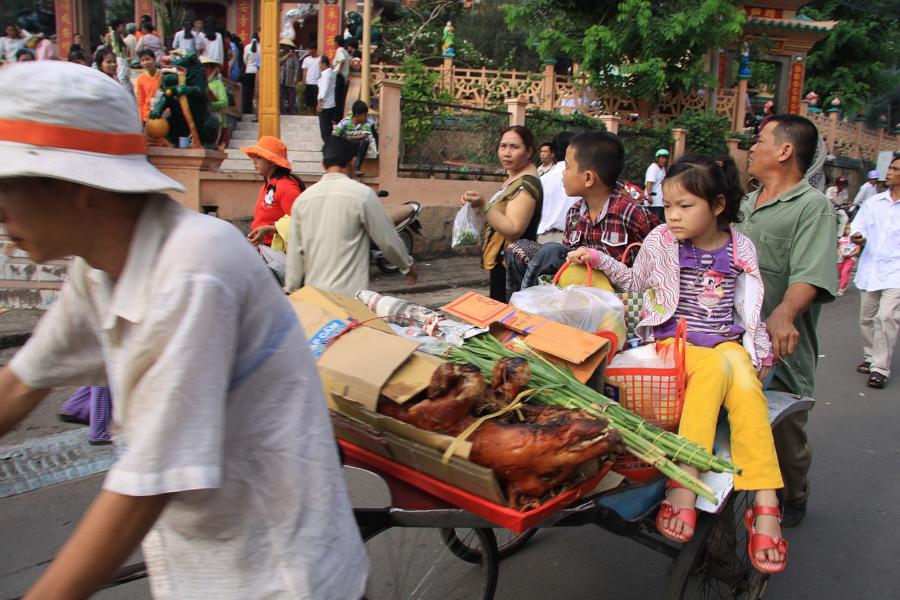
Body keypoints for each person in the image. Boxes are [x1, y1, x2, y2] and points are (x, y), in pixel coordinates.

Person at [0, 60, 367, 600]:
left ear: (76, 185)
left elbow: (145, 487)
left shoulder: (194, 267)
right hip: (204, 568)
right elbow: (19, 381)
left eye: (9, 185)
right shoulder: (98, 268)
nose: (2, 211)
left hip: (282, 580)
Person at [569, 153, 787, 574]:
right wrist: (597, 260)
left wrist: (758, 349)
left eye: (685, 206)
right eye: (667, 206)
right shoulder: (660, 242)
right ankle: (756, 501)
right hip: (673, 344)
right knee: (717, 370)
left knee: (742, 377)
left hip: (727, 343)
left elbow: (751, 309)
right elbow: (635, 281)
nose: (673, 216)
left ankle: (753, 496)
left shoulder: (741, 247)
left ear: (718, 205)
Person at [736, 114, 837, 527]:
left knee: (784, 437)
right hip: (730, 341)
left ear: (784, 151)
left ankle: (794, 493)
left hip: (781, 352)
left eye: (760, 141)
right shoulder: (745, 202)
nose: (752, 148)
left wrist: (783, 312)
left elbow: (810, 276)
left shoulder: (813, 210)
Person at [284, 136, 416, 295]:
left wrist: (291, 290)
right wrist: (406, 266)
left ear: (323, 164)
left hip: (316, 300)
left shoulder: (302, 200)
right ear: (353, 162)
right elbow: (387, 239)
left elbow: (295, 253)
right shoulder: (362, 195)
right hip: (350, 299)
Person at [461, 125, 543, 302]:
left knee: (505, 320)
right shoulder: (515, 178)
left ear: (529, 152)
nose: (507, 153)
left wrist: (484, 204)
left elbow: (513, 228)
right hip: (503, 263)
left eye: (514, 147)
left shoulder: (526, 185)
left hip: (511, 266)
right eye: (503, 146)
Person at [850, 155, 900, 389]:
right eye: (889, 168)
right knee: (867, 318)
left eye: (895, 169)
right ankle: (871, 357)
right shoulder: (874, 202)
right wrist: (858, 236)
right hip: (871, 268)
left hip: (896, 272)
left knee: (887, 317)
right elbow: (859, 226)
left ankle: (880, 368)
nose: (889, 172)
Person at [243, 136, 304, 247]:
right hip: (262, 249)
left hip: (276, 254)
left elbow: (300, 223)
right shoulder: (267, 185)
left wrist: (269, 229)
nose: (254, 162)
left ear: (271, 162)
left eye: (258, 158)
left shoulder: (286, 187)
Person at [535, 132, 577, 244]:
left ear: (553, 152)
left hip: (543, 239)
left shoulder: (543, 180)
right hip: (571, 239)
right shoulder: (582, 180)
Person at [333, 100, 376, 175]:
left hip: (357, 146)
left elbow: (364, 135)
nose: (366, 117)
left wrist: (351, 137)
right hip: (345, 146)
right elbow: (335, 134)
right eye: (364, 115)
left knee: (365, 141)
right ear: (357, 115)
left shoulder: (366, 123)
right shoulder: (345, 122)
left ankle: (357, 168)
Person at [835, 221, 861, 297]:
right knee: (840, 273)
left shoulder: (854, 239)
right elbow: (838, 247)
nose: (847, 230)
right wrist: (840, 254)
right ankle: (844, 283)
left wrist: (850, 255)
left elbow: (857, 250)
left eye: (849, 229)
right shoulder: (841, 239)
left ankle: (841, 289)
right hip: (841, 258)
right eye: (846, 229)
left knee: (845, 272)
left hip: (850, 258)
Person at [135, 49, 161, 124]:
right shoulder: (141, 79)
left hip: (163, 113)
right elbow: (141, 100)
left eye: (148, 59)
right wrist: (141, 117)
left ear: (154, 59)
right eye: (142, 60)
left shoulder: (163, 75)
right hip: (147, 115)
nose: (146, 62)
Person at [317, 54, 337, 142]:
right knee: (329, 127)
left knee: (324, 129)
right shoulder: (332, 73)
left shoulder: (326, 75)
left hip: (324, 105)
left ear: (324, 64)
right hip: (331, 103)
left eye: (320, 64)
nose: (319, 66)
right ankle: (330, 144)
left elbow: (323, 90)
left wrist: (319, 103)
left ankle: (328, 145)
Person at [645, 148, 669, 222]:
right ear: (657, 158)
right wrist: (649, 196)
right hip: (653, 202)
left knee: (661, 223)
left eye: (666, 158)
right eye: (662, 157)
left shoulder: (662, 169)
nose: (664, 160)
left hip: (660, 202)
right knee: (655, 223)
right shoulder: (653, 168)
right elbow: (649, 183)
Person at [278, 38, 301, 116]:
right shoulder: (280, 55)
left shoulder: (294, 56)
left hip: (290, 79)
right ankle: (282, 111)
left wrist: (295, 78)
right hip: (281, 79)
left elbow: (297, 67)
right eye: (284, 46)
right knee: (281, 96)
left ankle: (292, 111)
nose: (285, 47)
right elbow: (278, 62)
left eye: (287, 46)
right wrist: (286, 56)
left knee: (291, 97)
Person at [332, 35, 351, 120]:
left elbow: (342, 60)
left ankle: (336, 117)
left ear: (336, 42)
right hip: (343, 77)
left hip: (339, 76)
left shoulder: (339, 50)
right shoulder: (345, 51)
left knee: (337, 98)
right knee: (340, 98)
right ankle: (339, 117)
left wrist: (338, 70)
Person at [241, 34, 259, 115]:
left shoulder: (247, 47)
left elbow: (245, 60)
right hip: (257, 72)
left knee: (248, 92)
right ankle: (257, 111)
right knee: (257, 92)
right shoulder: (261, 47)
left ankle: (247, 111)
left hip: (248, 71)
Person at [301, 44, 320, 116]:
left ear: (314, 49)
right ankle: (310, 115)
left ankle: (316, 115)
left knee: (316, 101)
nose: (308, 51)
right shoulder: (306, 59)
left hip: (317, 83)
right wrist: (304, 81)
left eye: (310, 49)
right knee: (309, 102)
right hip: (309, 83)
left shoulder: (320, 59)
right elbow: (304, 71)